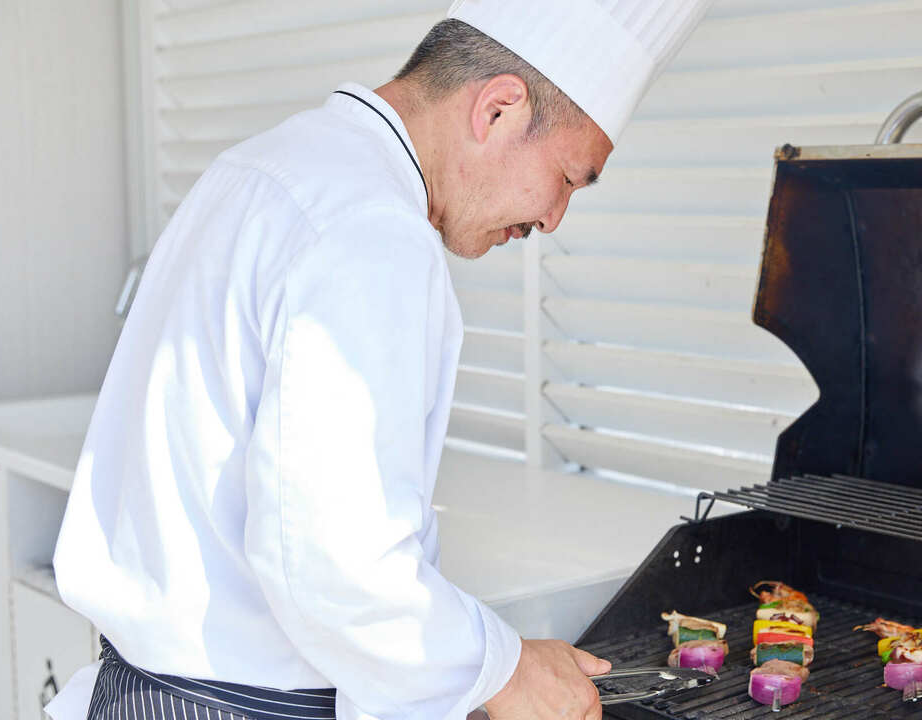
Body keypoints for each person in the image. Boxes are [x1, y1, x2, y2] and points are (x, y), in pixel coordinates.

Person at [46, 1, 711, 719]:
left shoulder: (264, 166)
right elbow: (336, 564)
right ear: (498, 109)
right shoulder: (370, 230)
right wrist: (505, 669)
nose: (553, 218)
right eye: (570, 177)